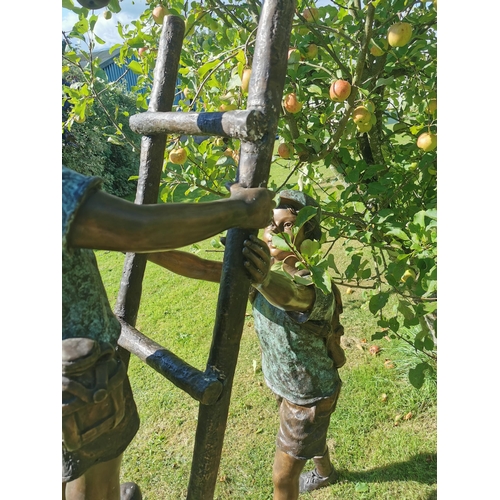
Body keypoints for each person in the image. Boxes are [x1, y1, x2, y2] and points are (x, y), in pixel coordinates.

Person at [62, 165, 275, 500]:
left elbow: (145, 246)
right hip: (82, 378)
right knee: (94, 472)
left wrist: (225, 272)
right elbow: (136, 231)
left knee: (69, 465)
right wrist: (242, 208)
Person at [148, 190, 344, 499]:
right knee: (309, 439)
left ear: (309, 234)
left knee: (282, 478)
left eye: (288, 225)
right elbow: (201, 268)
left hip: (308, 395)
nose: (273, 231)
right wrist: (141, 248)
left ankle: (320, 471)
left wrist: (263, 278)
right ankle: (324, 472)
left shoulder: (314, 283)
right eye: (270, 223)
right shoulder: (258, 275)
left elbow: (291, 296)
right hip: (285, 383)